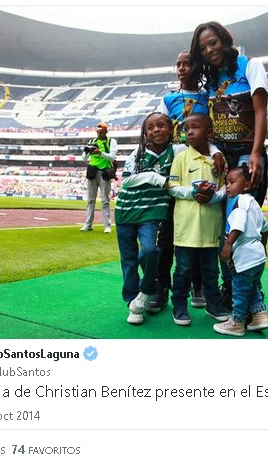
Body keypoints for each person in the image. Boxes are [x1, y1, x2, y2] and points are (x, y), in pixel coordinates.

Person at [190, 21, 268, 311]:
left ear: (224, 40)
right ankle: (232, 293)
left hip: (248, 156)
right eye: (202, 47)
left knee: (248, 228)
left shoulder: (250, 65)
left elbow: (261, 111)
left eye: (212, 42)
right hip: (222, 157)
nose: (209, 50)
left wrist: (256, 153)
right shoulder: (210, 81)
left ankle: (252, 298)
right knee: (225, 229)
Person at [149, 50, 225, 313]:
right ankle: (161, 286)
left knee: (198, 226)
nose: (181, 68)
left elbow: (211, 131)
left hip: (200, 166)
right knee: (168, 231)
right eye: (178, 64)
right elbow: (156, 130)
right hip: (175, 166)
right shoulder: (167, 99)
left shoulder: (208, 98)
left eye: (187, 64)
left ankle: (199, 284)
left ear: (198, 67)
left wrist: (215, 152)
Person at [115, 112, 187, 325]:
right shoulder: (136, 153)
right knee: (128, 259)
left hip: (152, 213)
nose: (156, 130)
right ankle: (132, 302)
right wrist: (157, 178)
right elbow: (126, 182)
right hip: (126, 210)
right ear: (145, 133)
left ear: (171, 129)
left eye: (161, 125)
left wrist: (217, 153)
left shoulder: (178, 150)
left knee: (149, 250)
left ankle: (146, 290)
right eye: (151, 127)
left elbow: (201, 146)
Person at [167, 113, 230, 326]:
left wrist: (213, 197)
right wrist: (193, 193)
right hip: (186, 227)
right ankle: (179, 305)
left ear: (209, 132)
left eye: (195, 127)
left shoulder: (219, 159)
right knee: (183, 269)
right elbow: (173, 188)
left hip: (211, 227)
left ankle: (214, 306)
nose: (190, 132)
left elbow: (225, 189)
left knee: (211, 271)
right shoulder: (181, 158)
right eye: (187, 128)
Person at [213, 165, 268, 336]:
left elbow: (238, 224)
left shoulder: (239, 202)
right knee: (253, 287)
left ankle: (237, 322)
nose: (227, 186)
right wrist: (264, 247)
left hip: (244, 258)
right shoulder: (254, 204)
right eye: (226, 182)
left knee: (240, 290)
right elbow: (265, 228)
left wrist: (228, 245)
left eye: (231, 182)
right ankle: (260, 316)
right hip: (258, 257)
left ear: (246, 185)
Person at [81, 122, 117, 233]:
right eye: (98, 132)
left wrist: (100, 152)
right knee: (90, 200)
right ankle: (88, 224)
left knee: (105, 200)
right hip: (92, 172)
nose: (99, 134)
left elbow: (112, 157)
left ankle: (107, 225)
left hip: (104, 172)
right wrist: (88, 151)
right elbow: (83, 158)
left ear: (106, 132)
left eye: (101, 132)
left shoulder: (111, 141)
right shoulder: (92, 141)